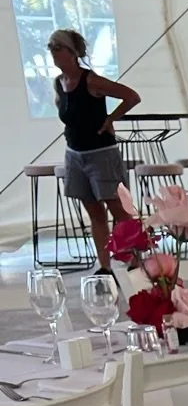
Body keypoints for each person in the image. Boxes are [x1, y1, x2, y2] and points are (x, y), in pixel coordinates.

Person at [49, 28, 140, 270]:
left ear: (72, 52)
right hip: (75, 154)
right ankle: (105, 267)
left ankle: (137, 258)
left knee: (119, 210)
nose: (53, 53)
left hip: (101, 154)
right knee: (95, 213)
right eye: (50, 48)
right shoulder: (59, 84)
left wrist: (111, 119)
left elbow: (131, 96)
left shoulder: (91, 80)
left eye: (57, 48)